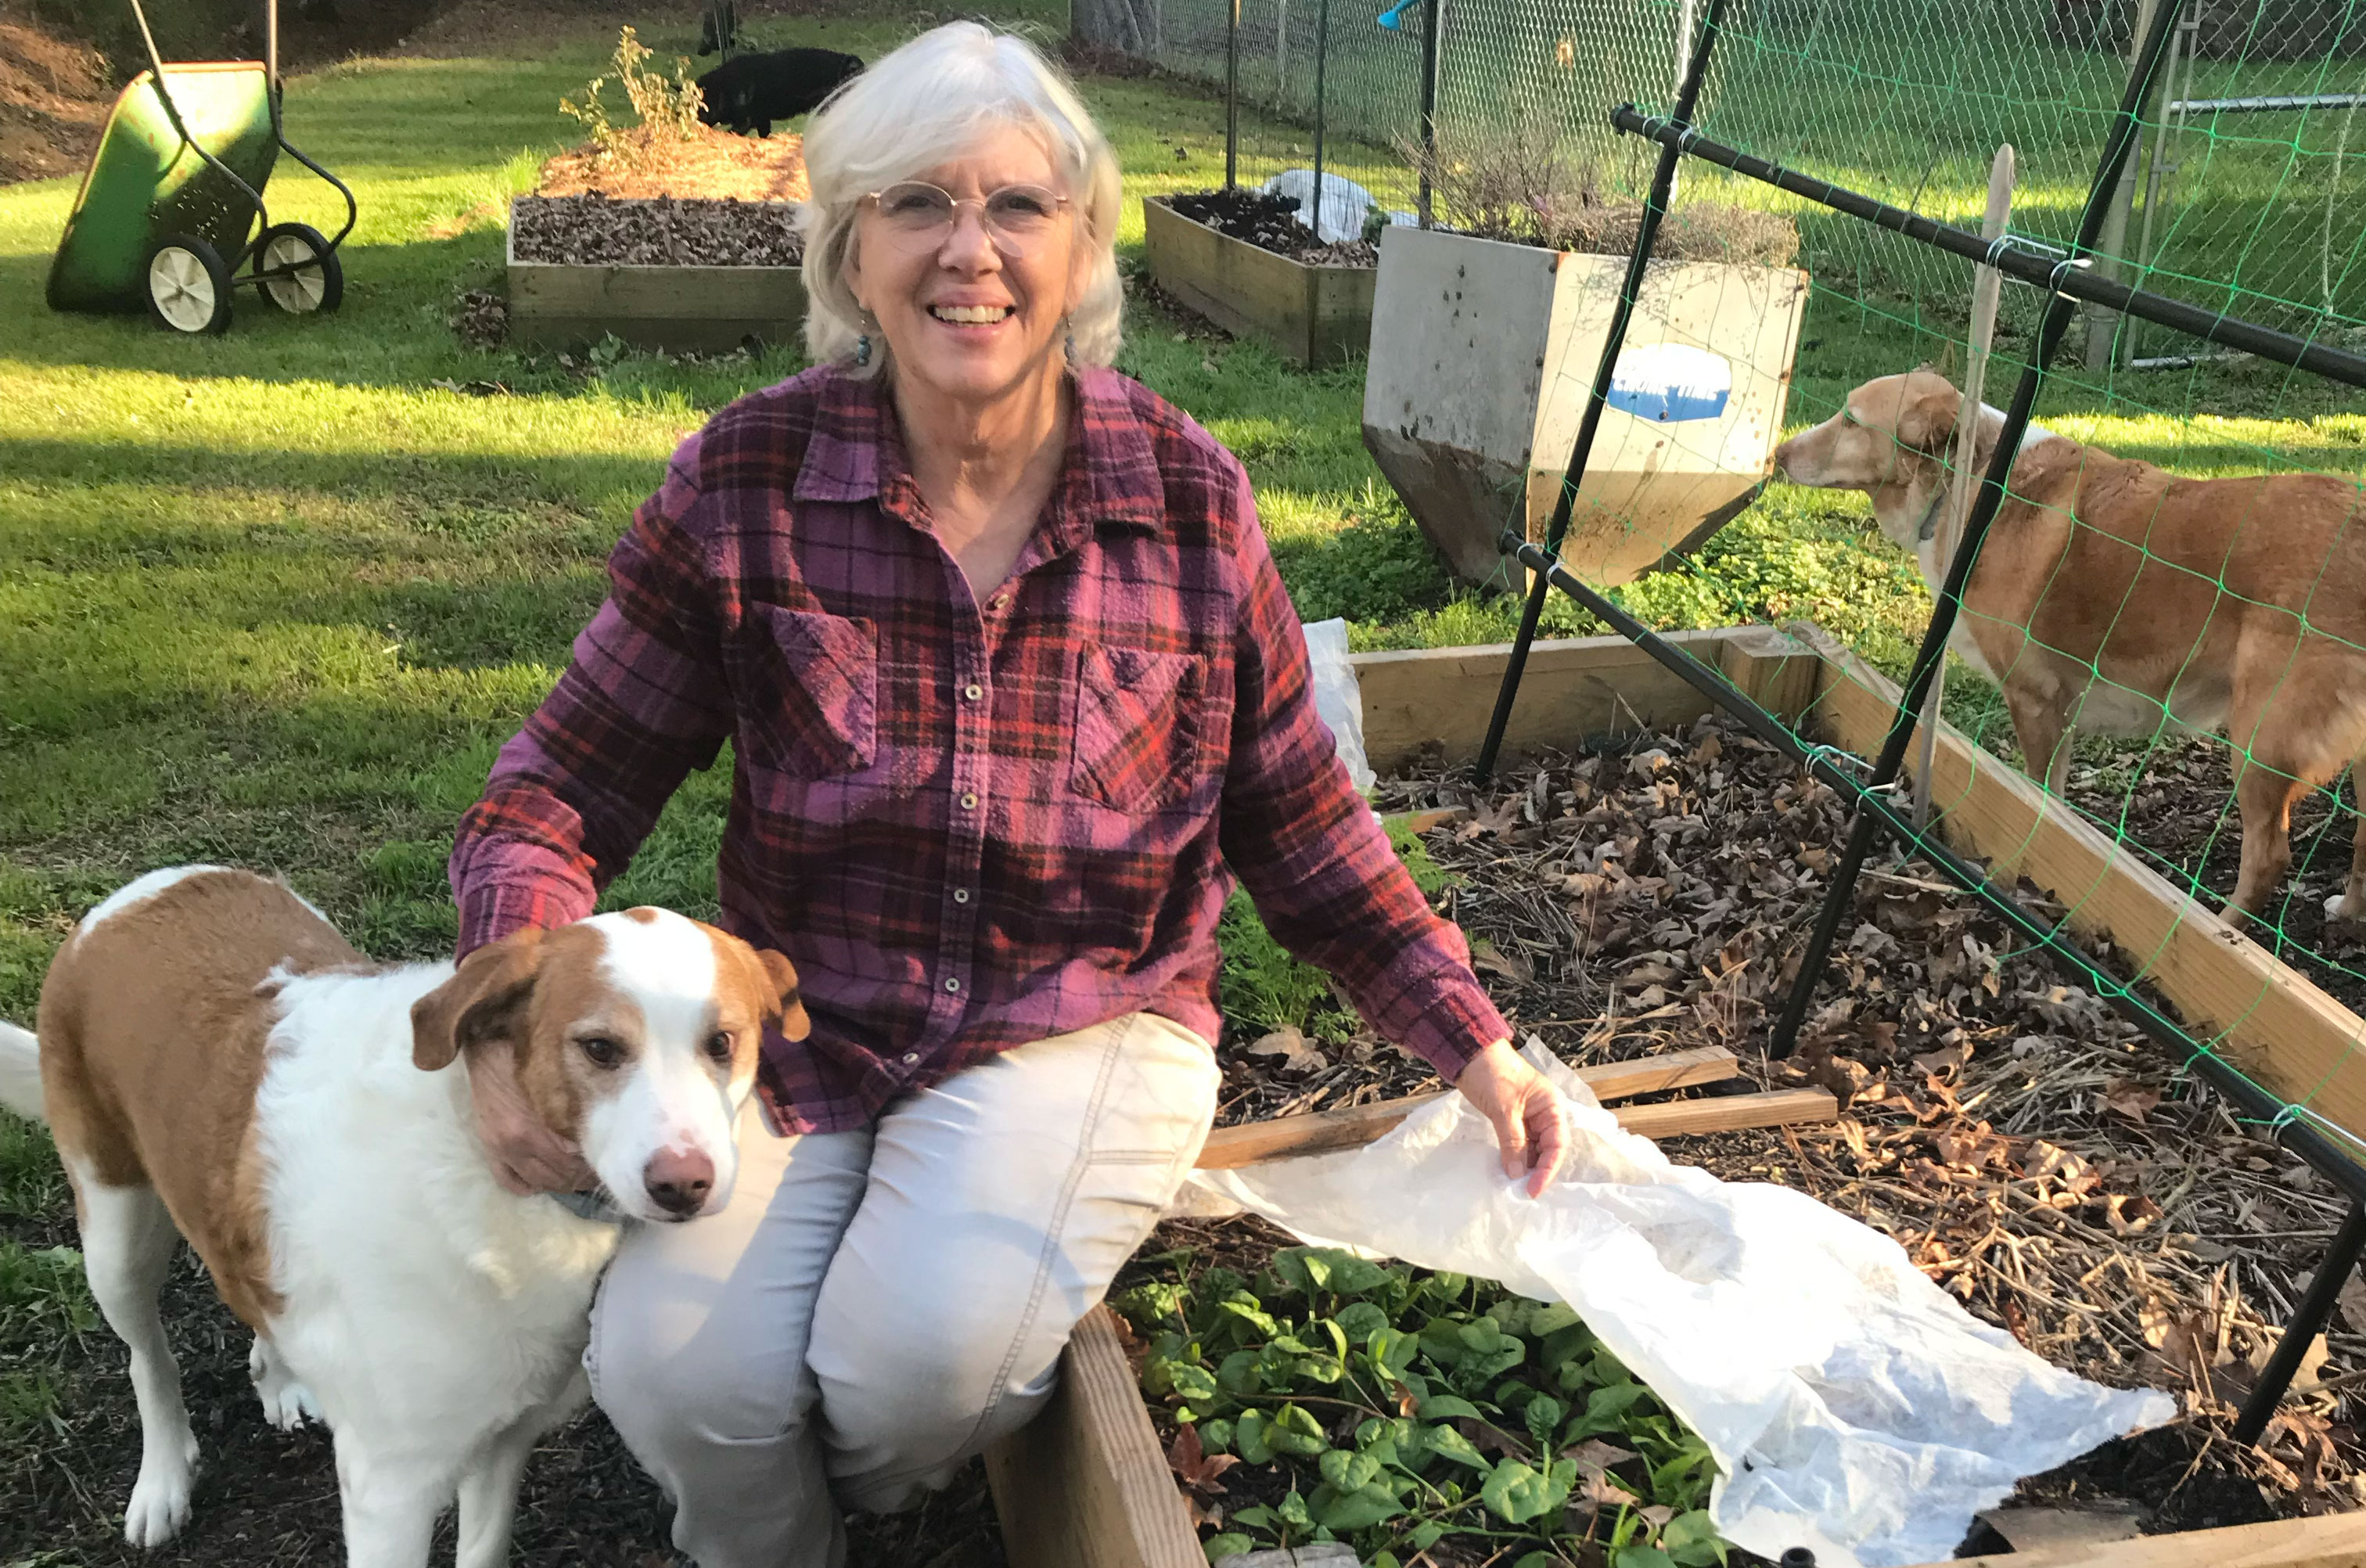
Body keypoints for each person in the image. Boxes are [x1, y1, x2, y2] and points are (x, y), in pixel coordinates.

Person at [447, 20, 1569, 1566]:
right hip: (805, 1023)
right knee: (674, 1378)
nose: (967, 252)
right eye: (916, 205)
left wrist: (1473, 1041)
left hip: (1082, 1019)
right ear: (849, 244)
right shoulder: (745, 488)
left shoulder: (1185, 502)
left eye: (1016, 207)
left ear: (1084, 242)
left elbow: (1303, 828)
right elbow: (551, 795)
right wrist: (503, 1031)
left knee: (905, 1374)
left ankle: (862, 1489)